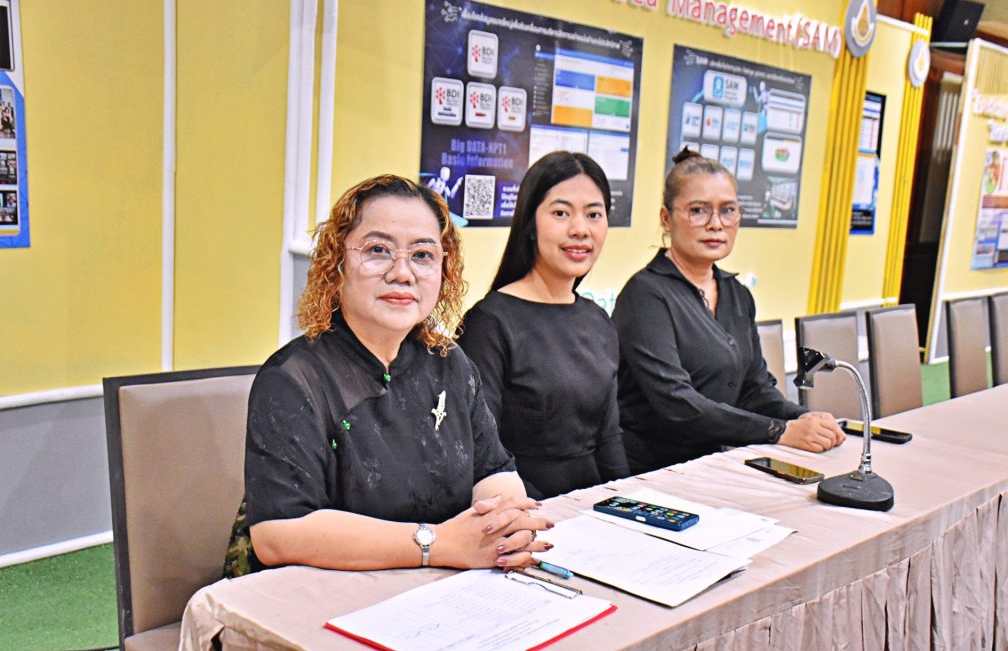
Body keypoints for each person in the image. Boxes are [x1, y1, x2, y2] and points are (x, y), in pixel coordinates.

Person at [224, 174, 551, 576]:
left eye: (423, 255)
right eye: (378, 250)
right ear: (337, 264)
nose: (402, 272)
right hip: (326, 591)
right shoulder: (292, 379)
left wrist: (505, 528)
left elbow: (494, 471)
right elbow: (279, 533)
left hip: (440, 584)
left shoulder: (449, 362)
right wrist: (438, 543)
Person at [613, 148, 846, 473]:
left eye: (728, 211)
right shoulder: (644, 295)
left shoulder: (737, 294)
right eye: (698, 211)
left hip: (719, 462)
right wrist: (780, 431)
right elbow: (677, 403)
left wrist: (802, 418)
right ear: (666, 218)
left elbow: (755, 389)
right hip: (652, 472)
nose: (715, 225)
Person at [459, 152, 629, 499]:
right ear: (530, 224)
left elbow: (609, 438)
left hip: (592, 504)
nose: (580, 229)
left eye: (594, 215)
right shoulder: (489, 323)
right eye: (561, 213)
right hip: (522, 507)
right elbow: (483, 450)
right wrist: (550, 511)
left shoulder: (598, 320)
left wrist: (625, 501)